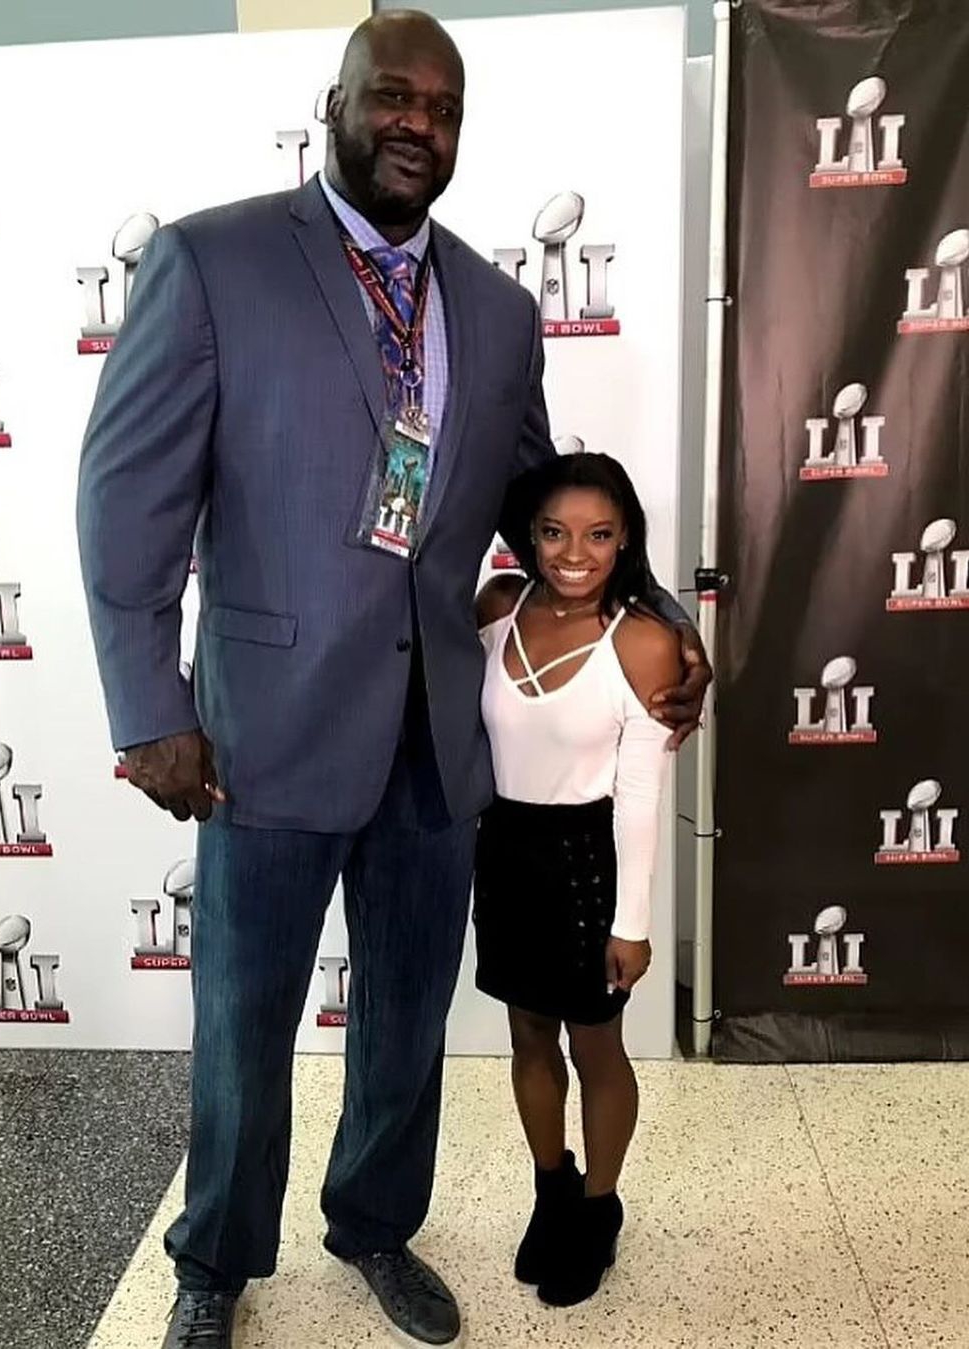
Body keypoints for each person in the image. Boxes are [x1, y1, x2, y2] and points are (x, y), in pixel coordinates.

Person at [76, 11, 710, 1349]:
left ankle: (373, 1222)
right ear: (339, 104)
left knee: (409, 1014)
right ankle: (215, 1258)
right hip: (264, 730)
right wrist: (150, 711)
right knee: (245, 1018)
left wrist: (654, 618)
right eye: (394, 96)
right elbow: (127, 504)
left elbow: (544, 505)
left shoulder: (498, 306)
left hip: (438, 736)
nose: (418, 122)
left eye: (445, 107)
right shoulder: (214, 263)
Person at [475, 452, 679, 1310]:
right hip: (506, 852)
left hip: (588, 859)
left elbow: (641, 794)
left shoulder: (644, 640)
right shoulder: (496, 608)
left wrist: (632, 921)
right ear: (530, 534)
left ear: (625, 537)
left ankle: (598, 1209)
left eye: (598, 534)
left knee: (597, 1046)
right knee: (529, 1037)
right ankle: (551, 1190)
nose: (574, 552)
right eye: (556, 531)